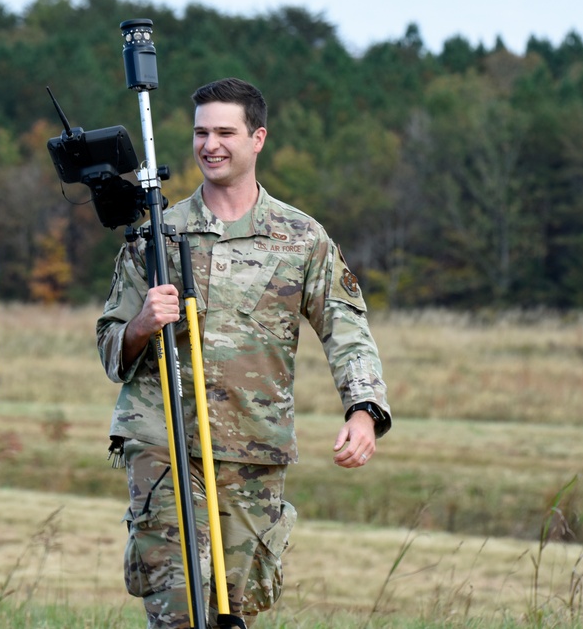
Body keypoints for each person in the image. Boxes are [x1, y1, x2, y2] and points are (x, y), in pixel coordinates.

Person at [97, 77, 391, 628]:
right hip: (165, 445)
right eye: (201, 132)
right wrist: (141, 324)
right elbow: (110, 350)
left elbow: (346, 327)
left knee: (237, 612)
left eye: (225, 132)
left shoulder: (300, 237)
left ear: (257, 138)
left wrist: (364, 409)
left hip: (252, 448)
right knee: (179, 611)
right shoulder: (156, 237)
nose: (211, 144)